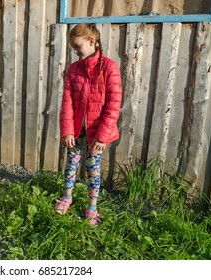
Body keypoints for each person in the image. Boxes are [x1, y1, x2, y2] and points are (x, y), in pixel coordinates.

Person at [55, 23, 122, 225]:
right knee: (71, 163)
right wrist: (67, 130)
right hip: (75, 129)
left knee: (93, 168)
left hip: (98, 132)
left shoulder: (109, 68)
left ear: (91, 41)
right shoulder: (74, 69)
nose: (76, 51)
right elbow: (67, 101)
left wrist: (103, 135)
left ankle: (92, 207)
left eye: (78, 46)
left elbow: (114, 104)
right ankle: (67, 196)